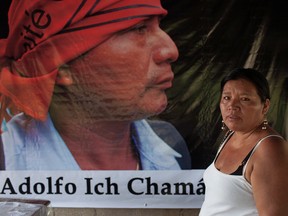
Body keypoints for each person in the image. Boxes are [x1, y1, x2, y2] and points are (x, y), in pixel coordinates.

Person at [0, 0, 191, 170]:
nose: (170, 50)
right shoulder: (7, 158)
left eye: (159, 25)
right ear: (62, 66)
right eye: (138, 28)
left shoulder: (170, 148)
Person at [199, 68, 288, 215]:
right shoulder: (232, 134)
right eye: (227, 98)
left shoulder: (270, 148)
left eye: (244, 99)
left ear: (265, 106)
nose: (232, 106)